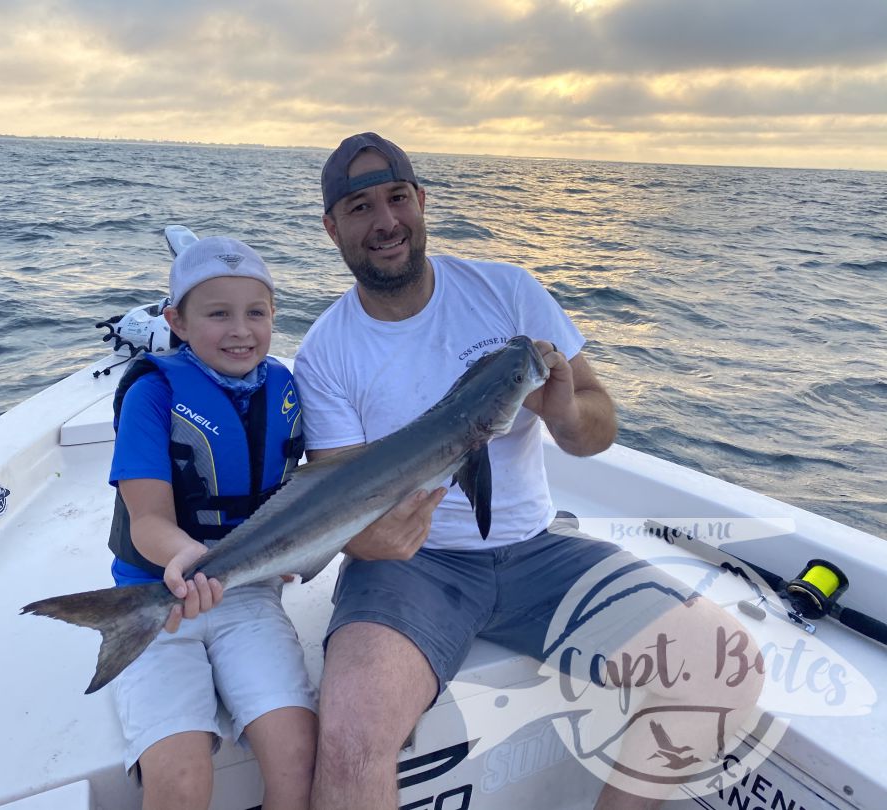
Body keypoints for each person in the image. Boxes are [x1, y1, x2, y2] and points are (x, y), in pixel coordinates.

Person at [293, 133, 763, 809]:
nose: (386, 221)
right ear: (332, 227)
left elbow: (597, 427)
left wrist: (568, 416)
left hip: (540, 551)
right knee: (349, 744)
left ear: (422, 201)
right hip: (412, 569)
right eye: (360, 208)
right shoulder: (325, 352)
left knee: (725, 668)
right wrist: (367, 541)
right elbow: (338, 500)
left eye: (397, 198)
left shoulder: (507, 291)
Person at [107, 235, 317, 810]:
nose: (240, 330)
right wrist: (183, 559)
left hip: (249, 593)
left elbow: (318, 489)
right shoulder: (152, 395)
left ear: (275, 316)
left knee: (300, 760)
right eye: (217, 314)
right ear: (176, 319)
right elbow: (148, 519)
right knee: (179, 784)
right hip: (154, 598)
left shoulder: (287, 391)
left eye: (255, 313)